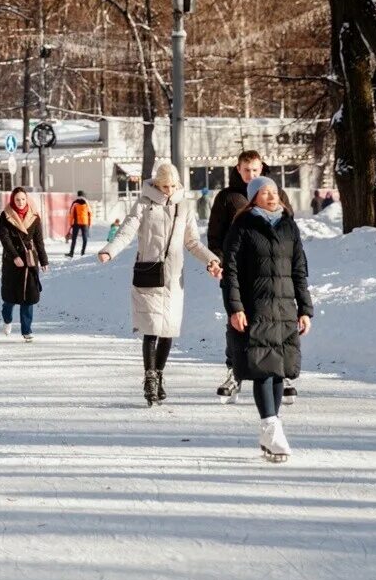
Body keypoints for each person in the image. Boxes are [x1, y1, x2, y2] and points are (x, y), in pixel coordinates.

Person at [96, 163, 221, 405]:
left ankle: (160, 374)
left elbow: (193, 242)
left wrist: (211, 260)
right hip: (149, 273)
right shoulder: (144, 203)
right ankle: (150, 378)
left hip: (174, 277)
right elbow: (126, 232)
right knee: (152, 327)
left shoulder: (184, 206)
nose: (169, 190)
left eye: (173, 186)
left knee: (168, 329)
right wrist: (109, 251)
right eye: (165, 186)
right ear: (156, 183)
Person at [221, 175, 313, 463]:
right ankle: (271, 427)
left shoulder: (289, 226)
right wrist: (235, 308)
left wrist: (305, 309)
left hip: (284, 309)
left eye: (274, 192)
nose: (272, 197)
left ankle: (269, 430)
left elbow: (299, 271)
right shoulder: (242, 227)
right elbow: (231, 272)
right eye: (264, 193)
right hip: (255, 309)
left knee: (278, 369)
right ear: (252, 199)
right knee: (263, 367)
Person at [206, 150, 297, 401]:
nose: (251, 175)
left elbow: (289, 234)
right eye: (246, 170)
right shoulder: (228, 198)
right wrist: (216, 261)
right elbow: (216, 237)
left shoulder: (276, 195)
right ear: (238, 169)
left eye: (255, 170)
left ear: (262, 168)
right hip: (237, 271)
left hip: (272, 272)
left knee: (277, 320)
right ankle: (234, 373)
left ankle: (282, 372)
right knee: (238, 322)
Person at [0, 187, 49, 342]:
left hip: (30, 260)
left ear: (27, 199)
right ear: (12, 201)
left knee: (29, 296)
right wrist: (14, 256)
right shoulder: (6, 216)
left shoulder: (34, 217)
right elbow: (4, 238)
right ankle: (7, 319)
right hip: (12, 261)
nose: (20, 202)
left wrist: (44, 260)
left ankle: (26, 330)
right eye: (17, 199)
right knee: (10, 298)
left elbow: (39, 241)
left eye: (23, 199)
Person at [67, 190, 92, 257]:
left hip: (76, 222)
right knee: (85, 238)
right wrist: (90, 224)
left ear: (77, 195)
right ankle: (83, 252)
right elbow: (90, 213)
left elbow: (71, 214)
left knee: (74, 238)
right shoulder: (87, 203)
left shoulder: (75, 203)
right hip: (85, 222)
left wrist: (70, 223)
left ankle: (71, 253)